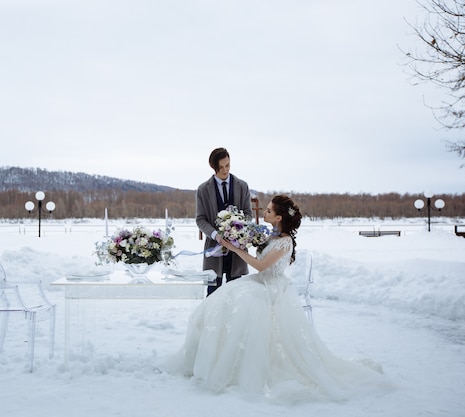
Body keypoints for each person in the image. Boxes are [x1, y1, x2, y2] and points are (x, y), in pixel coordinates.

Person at [165, 195, 392, 402]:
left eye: (269, 211)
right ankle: (209, 359)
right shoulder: (272, 236)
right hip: (259, 283)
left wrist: (235, 249)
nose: (265, 213)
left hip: (270, 288)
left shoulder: (284, 242)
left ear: (279, 217)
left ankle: (235, 367)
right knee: (221, 299)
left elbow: (261, 265)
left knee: (240, 302)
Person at [196, 147, 252, 296]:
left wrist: (236, 230)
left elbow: (248, 214)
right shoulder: (202, 190)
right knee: (213, 298)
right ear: (213, 167)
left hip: (238, 251)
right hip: (214, 251)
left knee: (236, 298)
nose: (225, 170)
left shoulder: (243, 186)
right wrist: (216, 235)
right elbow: (200, 219)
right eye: (220, 167)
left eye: (227, 165)